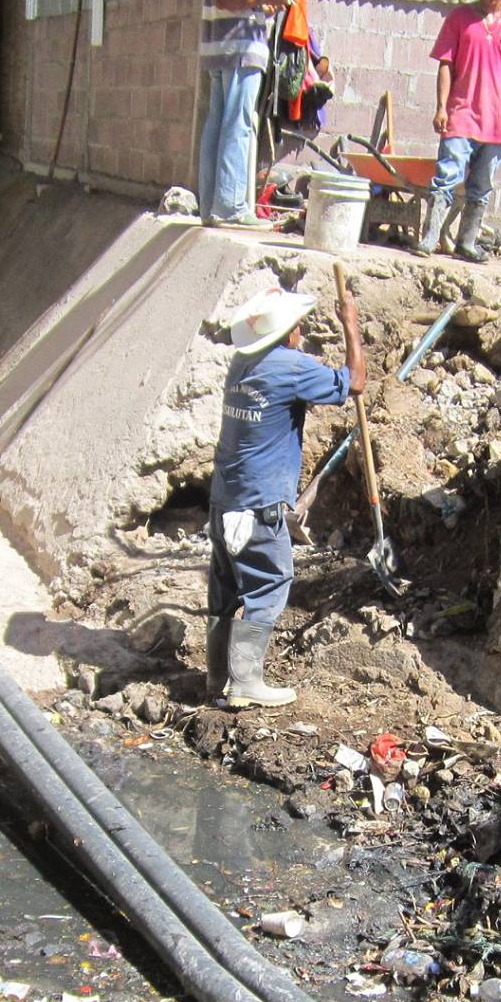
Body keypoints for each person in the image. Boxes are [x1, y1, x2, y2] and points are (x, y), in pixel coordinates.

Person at [206, 283, 365, 707]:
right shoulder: (291, 367)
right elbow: (356, 382)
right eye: (299, 328)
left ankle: (216, 676)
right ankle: (245, 684)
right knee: (270, 580)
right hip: (259, 502)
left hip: (225, 496)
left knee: (225, 585)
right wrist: (350, 323)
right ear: (289, 334)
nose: (302, 333)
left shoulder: (242, 362)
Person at [420, 0, 501, 262]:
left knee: (481, 185)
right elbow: (445, 64)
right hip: (461, 113)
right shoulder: (459, 18)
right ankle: (430, 236)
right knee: (447, 176)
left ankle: (467, 241)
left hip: (497, 119)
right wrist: (441, 106)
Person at [199, 0, 292, 228]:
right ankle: (230, 207)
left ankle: (210, 207)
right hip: (240, 48)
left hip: (220, 45)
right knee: (236, 125)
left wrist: (260, 4)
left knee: (217, 123)